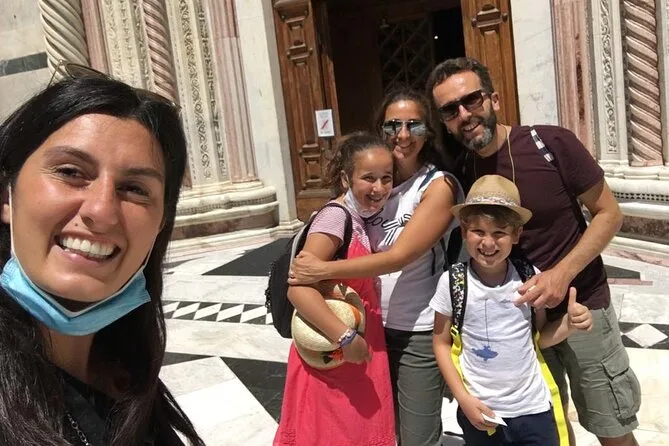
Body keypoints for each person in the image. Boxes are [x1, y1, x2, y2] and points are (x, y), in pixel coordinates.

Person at [427, 56, 641, 446]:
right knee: (551, 423)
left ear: (493, 99)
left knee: (610, 424)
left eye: (471, 100)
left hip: (580, 307)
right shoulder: (463, 171)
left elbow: (609, 214)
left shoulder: (551, 144)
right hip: (520, 325)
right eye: (450, 110)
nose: (464, 114)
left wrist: (562, 274)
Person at [0, 66, 204, 445]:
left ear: (161, 222)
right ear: (6, 196)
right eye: (70, 171)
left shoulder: (127, 377)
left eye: (134, 188)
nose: (102, 211)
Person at [289, 88, 464, 446]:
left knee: (416, 437)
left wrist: (322, 271)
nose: (403, 134)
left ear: (429, 131)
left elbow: (399, 256)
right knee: (372, 428)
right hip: (369, 328)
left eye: (414, 125)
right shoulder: (366, 192)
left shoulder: (437, 185)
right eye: (393, 125)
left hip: (415, 327)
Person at [431, 174, 593, 446]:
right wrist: (463, 399)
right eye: (478, 231)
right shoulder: (453, 283)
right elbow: (441, 342)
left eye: (499, 233)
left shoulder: (529, 277)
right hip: (483, 411)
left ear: (516, 235)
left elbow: (537, 337)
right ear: (464, 231)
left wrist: (569, 324)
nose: (488, 243)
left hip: (533, 408)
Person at [274, 132, 396, 445]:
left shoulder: (360, 217)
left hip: (354, 352)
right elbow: (298, 288)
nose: (379, 188)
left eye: (386, 178)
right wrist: (346, 338)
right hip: (333, 355)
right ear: (345, 179)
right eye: (368, 178)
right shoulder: (334, 217)